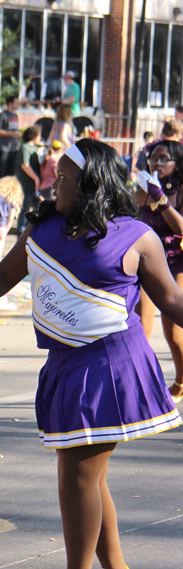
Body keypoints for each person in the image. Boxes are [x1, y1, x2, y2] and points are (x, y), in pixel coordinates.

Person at [0, 139, 182, 569]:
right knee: (86, 475)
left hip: (113, 366)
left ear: (90, 184)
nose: (53, 185)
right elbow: (5, 275)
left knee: (78, 474)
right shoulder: (44, 230)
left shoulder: (136, 235)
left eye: (64, 179)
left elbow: (170, 298)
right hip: (63, 364)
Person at [134, 139, 183, 403]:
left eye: (164, 158)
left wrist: (161, 201)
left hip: (178, 260)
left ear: (177, 162)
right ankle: (141, 383)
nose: (157, 162)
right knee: (140, 324)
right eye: (154, 158)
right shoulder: (144, 187)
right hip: (148, 260)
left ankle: (181, 380)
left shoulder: (180, 189)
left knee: (173, 329)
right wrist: (139, 196)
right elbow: (132, 220)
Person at [16, 125, 42, 231]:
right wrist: (36, 178)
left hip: (32, 185)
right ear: (34, 136)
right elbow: (25, 165)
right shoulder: (25, 147)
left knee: (36, 208)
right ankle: (21, 232)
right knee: (25, 209)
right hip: (25, 184)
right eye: (39, 135)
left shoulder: (34, 148)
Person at [0, 96, 20, 181]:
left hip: (13, 149)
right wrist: (11, 134)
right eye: (16, 103)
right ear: (10, 103)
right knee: (1, 173)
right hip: (4, 148)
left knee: (11, 174)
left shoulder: (15, 116)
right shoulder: (2, 116)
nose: (18, 104)